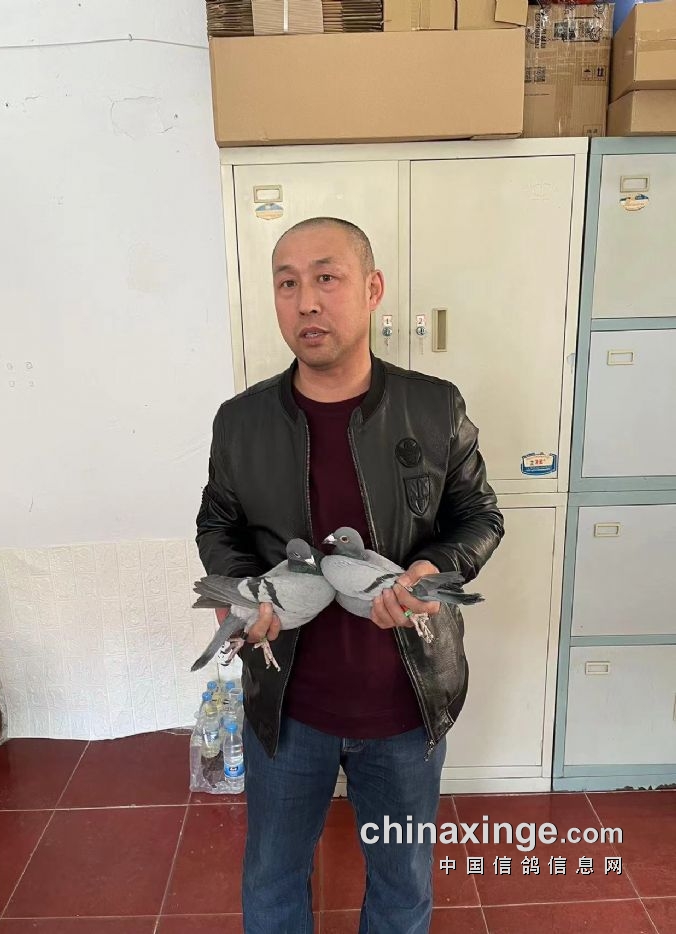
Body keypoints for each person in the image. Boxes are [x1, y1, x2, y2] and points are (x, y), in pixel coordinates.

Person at [196, 216, 504, 934]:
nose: (306, 301)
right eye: (287, 283)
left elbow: (479, 516)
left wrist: (432, 568)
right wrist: (239, 590)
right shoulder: (241, 422)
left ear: (372, 290)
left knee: (402, 884)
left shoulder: (434, 406)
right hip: (288, 708)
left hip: (405, 702)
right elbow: (219, 526)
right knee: (272, 881)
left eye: (326, 278)